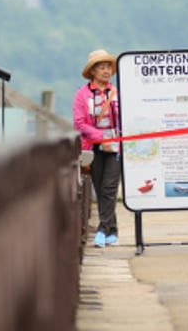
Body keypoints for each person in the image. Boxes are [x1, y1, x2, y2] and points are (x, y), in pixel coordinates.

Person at [73, 49, 121, 247]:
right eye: (101, 67)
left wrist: (114, 137)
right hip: (93, 146)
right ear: (92, 71)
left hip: (115, 146)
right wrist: (101, 137)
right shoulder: (82, 95)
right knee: (100, 188)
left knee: (110, 188)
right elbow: (79, 123)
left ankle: (102, 229)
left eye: (108, 67)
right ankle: (112, 230)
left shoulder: (117, 93)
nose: (106, 71)